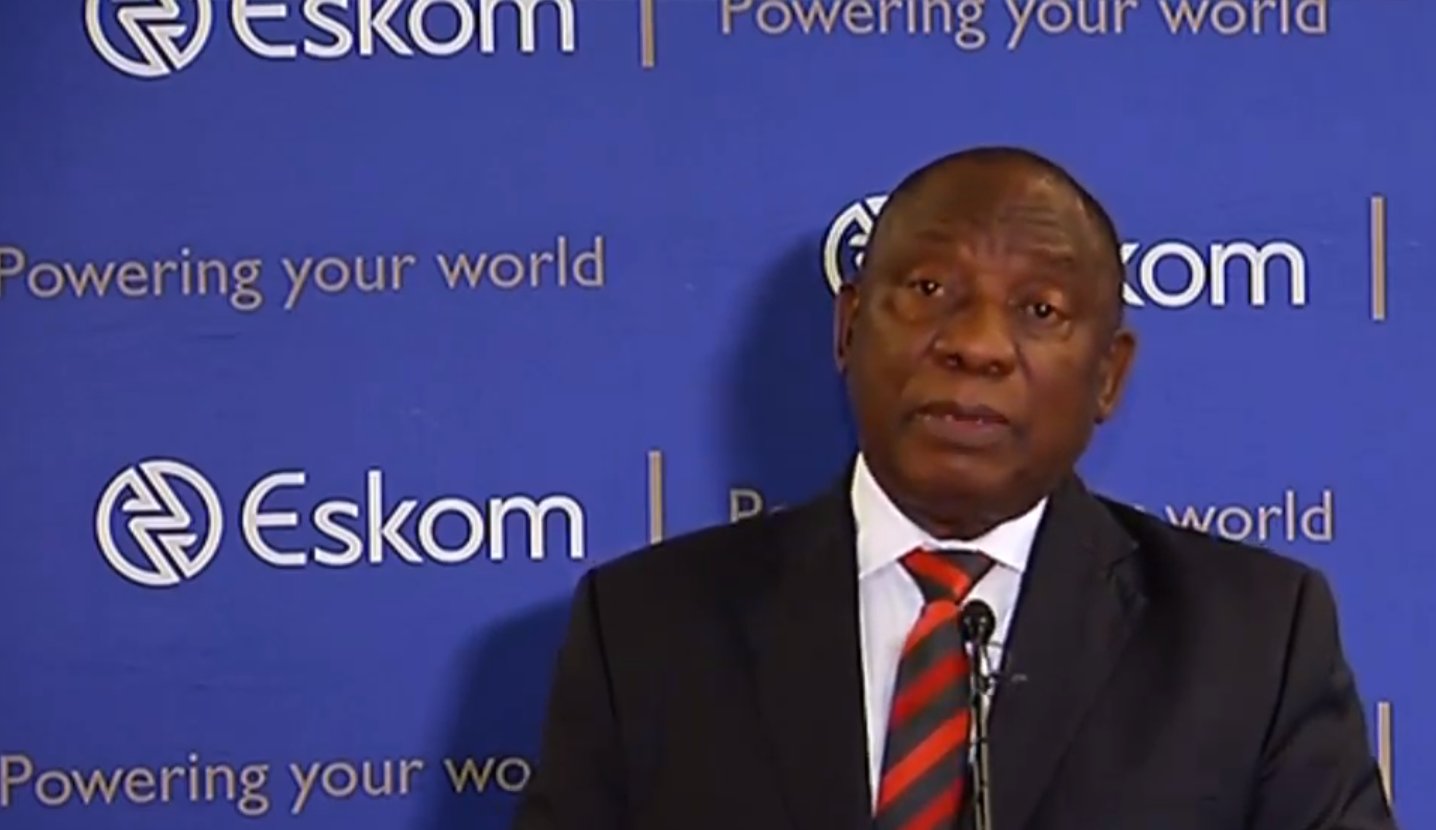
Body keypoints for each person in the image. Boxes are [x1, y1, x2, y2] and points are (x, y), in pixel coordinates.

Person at [510, 146, 1398, 830]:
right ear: (850, 327)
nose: (975, 344)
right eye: (931, 288)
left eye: (1040, 310)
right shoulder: (646, 631)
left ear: (1108, 376)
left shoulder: (1252, 641)